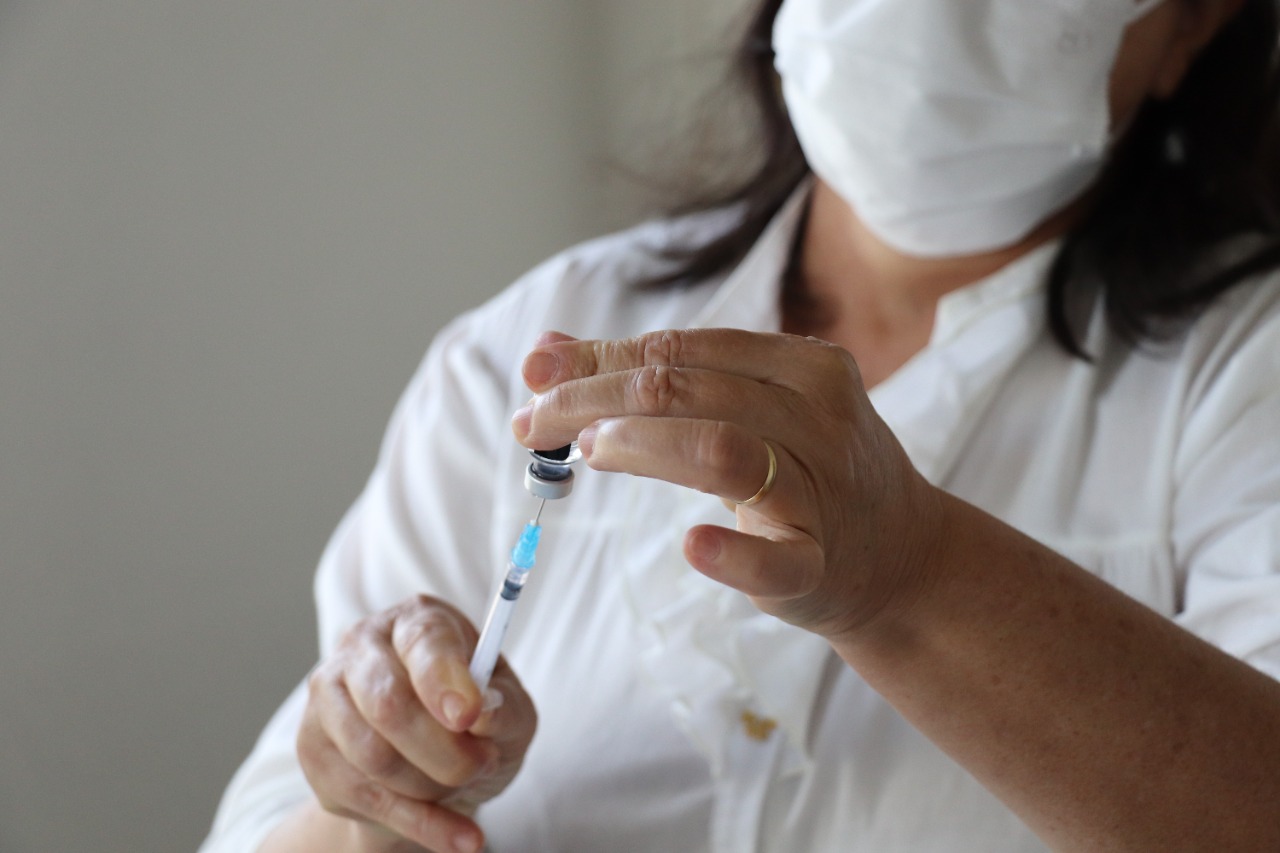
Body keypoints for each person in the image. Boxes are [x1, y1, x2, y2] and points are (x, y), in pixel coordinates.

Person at [202, 0, 1280, 850]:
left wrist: (915, 575)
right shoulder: (526, 340)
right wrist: (381, 794)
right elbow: (274, 822)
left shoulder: (1245, 374)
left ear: (1195, 21)